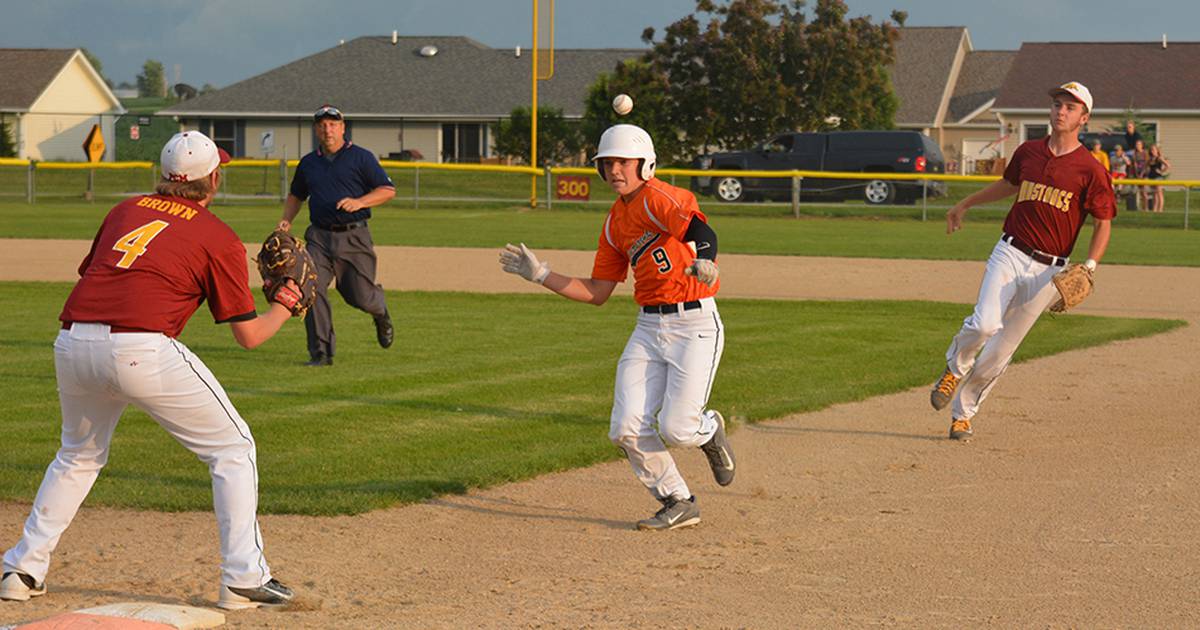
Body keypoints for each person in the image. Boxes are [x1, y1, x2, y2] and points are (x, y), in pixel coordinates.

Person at [1, 132, 297, 609]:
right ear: (213, 180)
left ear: (165, 175)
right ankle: (243, 576)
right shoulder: (217, 235)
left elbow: (99, 273)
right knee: (233, 448)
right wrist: (285, 303)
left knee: (77, 456)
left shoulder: (124, 211)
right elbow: (249, 336)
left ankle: (21, 569)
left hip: (73, 340)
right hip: (140, 348)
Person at [498, 124, 735, 531]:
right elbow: (597, 291)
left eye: (623, 162)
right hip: (648, 327)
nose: (614, 170)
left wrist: (706, 258)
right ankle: (677, 500)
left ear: (645, 164)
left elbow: (700, 229)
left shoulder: (660, 197)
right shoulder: (614, 223)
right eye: (607, 163)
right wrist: (540, 275)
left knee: (678, 428)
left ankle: (709, 431)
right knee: (625, 427)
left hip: (694, 322)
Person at [930, 82, 1115, 440]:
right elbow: (1008, 185)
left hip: (1051, 271)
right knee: (984, 324)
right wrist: (965, 203)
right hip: (1011, 251)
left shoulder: (1091, 170)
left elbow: (1103, 222)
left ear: (1084, 118)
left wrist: (1091, 266)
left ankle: (963, 416)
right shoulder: (1028, 151)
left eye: (1070, 107)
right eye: (1058, 104)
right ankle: (955, 368)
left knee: (1001, 351)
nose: (1061, 111)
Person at [277, 105, 397, 366]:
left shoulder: (361, 158)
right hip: (318, 237)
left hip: (353, 236)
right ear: (316, 130)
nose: (327, 129)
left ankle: (380, 311)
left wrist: (360, 202)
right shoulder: (309, 163)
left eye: (333, 124)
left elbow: (387, 190)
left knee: (359, 295)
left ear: (343, 128)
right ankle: (320, 352)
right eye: (322, 125)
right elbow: (297, 195)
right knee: (311, 288)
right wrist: (286, 220)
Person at [1147, 144, 1171, 212]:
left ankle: (1160, 209)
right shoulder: (1150, 159)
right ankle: (1155, 209)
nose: (1152, 151)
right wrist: (1142, 174)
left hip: (1158, 178)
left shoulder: (1159, 158)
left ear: (1157, 151)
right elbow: (1146, 167)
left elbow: (1168, 165)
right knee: (1155, 194)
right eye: (1151, 150)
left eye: (1154, 150)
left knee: (1159, 193)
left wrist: (1161, 171)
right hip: (1152, 178)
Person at [1109, 144, 1132, 210]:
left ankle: (1118, 194)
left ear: (1121, 151)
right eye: (1116, 150)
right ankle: (1113, 194)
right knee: (1111, 181)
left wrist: (1123, 157)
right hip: (1115, 173)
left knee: (1120, 179)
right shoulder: (1112, 158)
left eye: (1118, 150)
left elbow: (1129, 163)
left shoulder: (1124, 157)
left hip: (1122, 173)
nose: (1117, 152)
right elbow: (1111, 167)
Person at [1130, 138, 1150, 211]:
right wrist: (1136, 174)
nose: (1137, 146)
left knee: (1144, 192)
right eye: (1136, 144)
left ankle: (1146, 208)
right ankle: (1140, 207)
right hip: (1137, 175)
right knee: (1139, 192)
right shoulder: (1134, 153)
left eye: (1139, 144)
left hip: (1144, 174)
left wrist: (1142, 174)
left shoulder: (1145, 153)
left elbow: (1146, 164)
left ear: (1142, 145)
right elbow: (1134, 165)